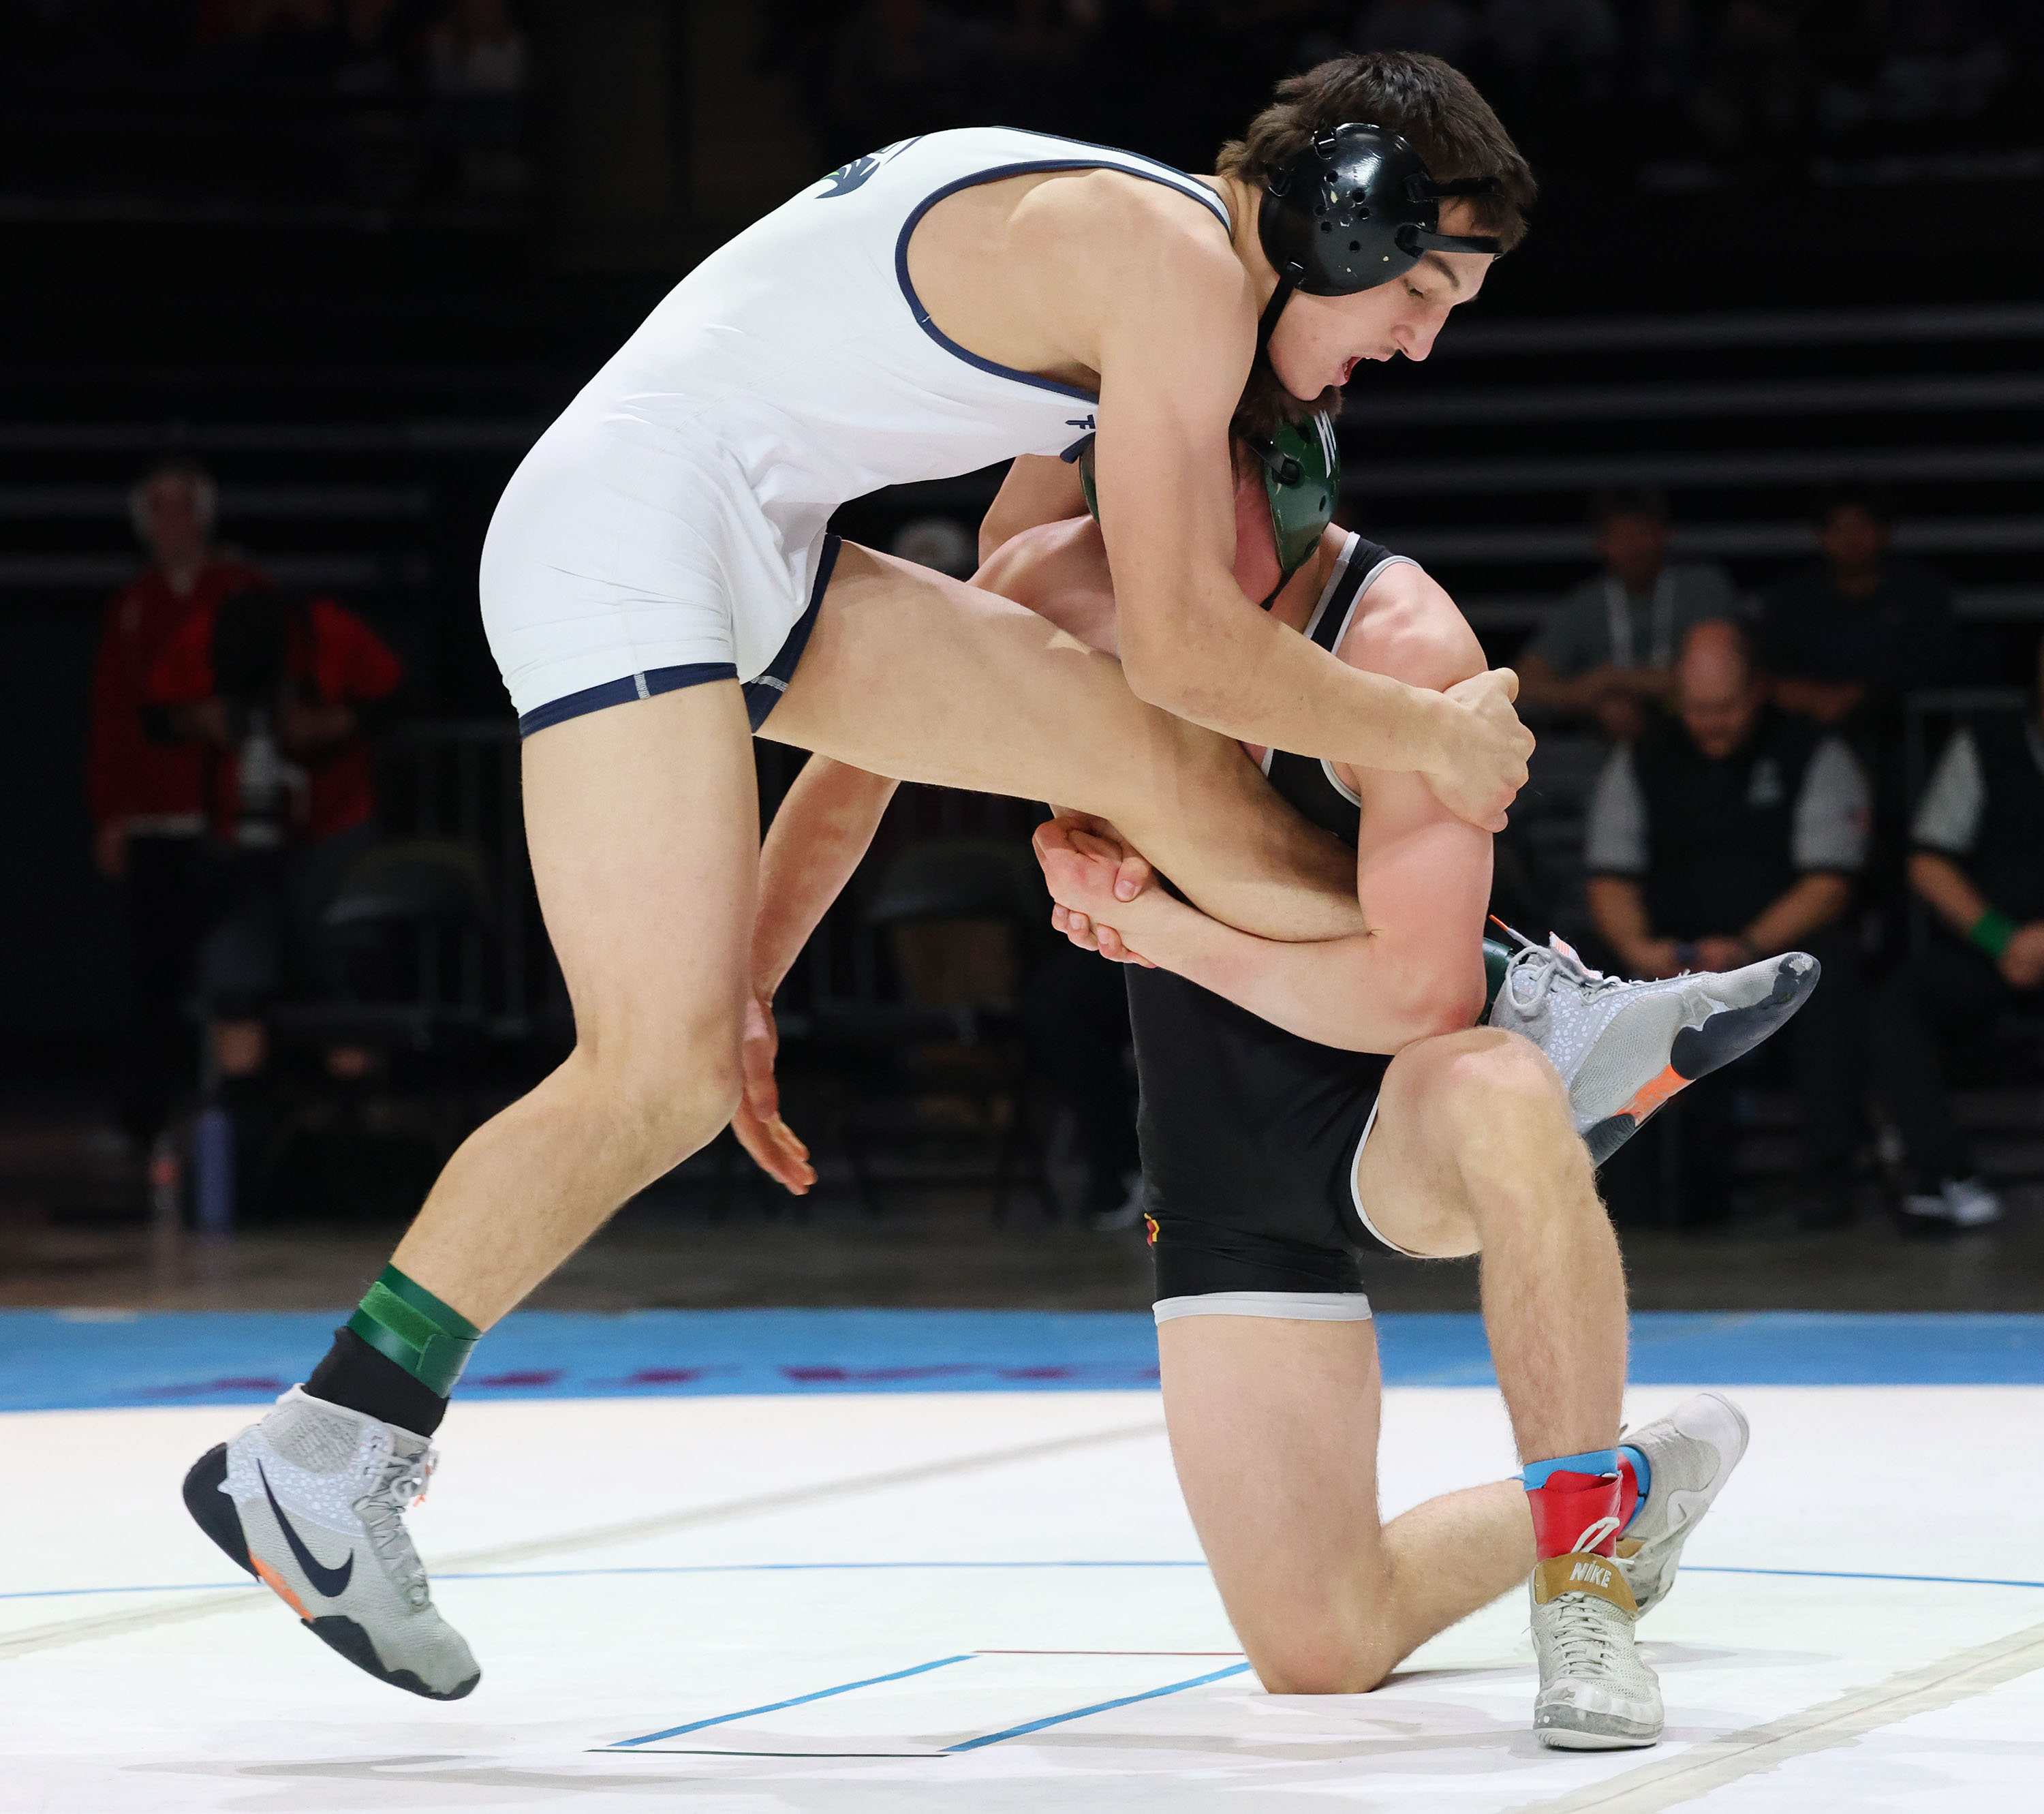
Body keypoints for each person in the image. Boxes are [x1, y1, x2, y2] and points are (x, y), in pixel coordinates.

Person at [183, 52, 1548, 1701]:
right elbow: (1187, 642)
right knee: (650, 1077)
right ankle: (333, 1442)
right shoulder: (1180, 264)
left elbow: (977, 701)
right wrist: (1430, 736)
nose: (1418, 338)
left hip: (741, 538)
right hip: (634, 535)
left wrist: (754, 966)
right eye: (1420, 287)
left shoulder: (1144, 265)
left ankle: (1520, 991)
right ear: (1334, 221)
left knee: (1145, 765)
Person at [736, 432, 1814, 1747]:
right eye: (1139, 517)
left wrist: (1162, 933)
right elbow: (858, 759)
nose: (1161, 563)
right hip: (1219, 1147)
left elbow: (1408, 995)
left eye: (1198, 526)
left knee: (1511, 1096)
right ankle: (1635, 1483)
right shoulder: (1055, 584)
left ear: (1297, 507)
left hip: (1391, 1092)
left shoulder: (1405, 643)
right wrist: (747, 986)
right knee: (1317, 1648)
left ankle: (1579, 1577)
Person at [1585, 620, 1868, 1227]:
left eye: (1726, 707)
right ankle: (1627, 1202)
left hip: (1780, 959)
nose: (1710, 722)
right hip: (1671, 960)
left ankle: (1827, 1187)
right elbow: (1610, 875)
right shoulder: (1643, 756)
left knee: (1840, 973)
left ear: (1760, 689)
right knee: (1598, 984)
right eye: (1695, 709)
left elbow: (1830, 883)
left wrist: (1747, 951)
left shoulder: (1812, 750)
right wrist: (1639, 951)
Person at [146, 583, 404, 1083]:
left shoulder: (332, 632)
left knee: (348, 997)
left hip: (335, 833)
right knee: (236, 1000)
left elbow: (400, 698)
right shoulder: (202, 636)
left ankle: (349, 1142)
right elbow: (156, 715)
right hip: (238, 845)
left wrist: (334, 723)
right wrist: (206, 718)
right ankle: (243, 1145)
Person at [89, 464, 268, 1144]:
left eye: (186, 506)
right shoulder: (133, 604)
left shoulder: (243, 590)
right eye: (161, 509)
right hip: (154, 819)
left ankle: (244, 1123)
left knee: (239, 965)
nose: (175, 521)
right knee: (151, 975)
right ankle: (142, 1122)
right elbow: (113, 717)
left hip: (230, 819)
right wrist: (112, 813)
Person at [1865, 636, 2044, 1230]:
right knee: (1898, 1006)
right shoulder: (1991, 741)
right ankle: (1947, 1175)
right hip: (1997, 948)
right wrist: (2001, 939)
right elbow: (1929, 861)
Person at [1515, 486, 1736, 743]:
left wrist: (1613, 681)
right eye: (1621, 536)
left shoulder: (1702, 588)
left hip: (1704, 735)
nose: (1633, 547)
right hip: (1617, 747)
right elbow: (1525, 682)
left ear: (1665, 534)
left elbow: (1727, 676)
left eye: (1641, 533)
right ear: (1601, 544)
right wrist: (1592, 701)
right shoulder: (1588, 603)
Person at [1754, 484, 1952, 735]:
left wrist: (1860, 693)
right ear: (1820, 535)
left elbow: (1929, 664)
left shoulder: (1921, 592)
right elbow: (1771, 665)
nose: (1851, 538)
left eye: (1862, 525)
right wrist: (1800, 693)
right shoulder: (1790, 597)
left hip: (1900, 734)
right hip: (1803, 731)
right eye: (1838, 527)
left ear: (1885, 532)